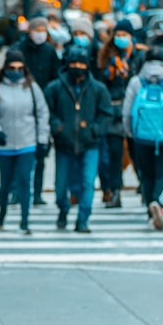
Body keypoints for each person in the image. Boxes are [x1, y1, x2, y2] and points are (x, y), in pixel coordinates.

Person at [45, 46, 112, 233]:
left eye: (81, 64)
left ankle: (83, 219)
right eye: (73, 64)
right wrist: (57, 126)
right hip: (64, 143)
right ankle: (63, 208)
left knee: (88, 182)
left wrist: (95, 130)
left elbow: (106, 114)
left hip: (90, 142)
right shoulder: (55, 88)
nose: (77, 67)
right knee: (60, 187)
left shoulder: (97, 89)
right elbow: (47, 111)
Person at [0, 50, 51, 234]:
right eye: (12, 67)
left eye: (20, 68)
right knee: (5, 184)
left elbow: (42, 113)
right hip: (4, 145)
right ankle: (2, 214)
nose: (16, 71)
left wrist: (42, 139)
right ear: (5, 68)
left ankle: (25, 220)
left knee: (24, 181)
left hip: (27, 143)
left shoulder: (31, 88)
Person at [122, 46, 163, 230]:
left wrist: (130, 132)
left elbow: (127, 111)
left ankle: (149, 206)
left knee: (147, 173)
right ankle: (158, 202)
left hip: (141, 136)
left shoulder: (136, 82)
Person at [95, 18, 145, 208]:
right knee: (114, 154)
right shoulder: (107, 56)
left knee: (137, 152)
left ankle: (144, 185)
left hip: (134, 110)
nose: (121, 38)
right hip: (114, 111)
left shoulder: (139, 56)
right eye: (118, 35)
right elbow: (102, 82)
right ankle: (115, 191)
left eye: (125, 35)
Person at [15, 17, 61, 205]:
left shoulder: (49, 51)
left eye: (44, 30)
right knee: (20, 150)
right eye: (37, 30)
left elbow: (55, 76)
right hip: (22, 104)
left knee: (41, 151)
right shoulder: (20, 49)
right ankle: (18, 191)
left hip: (44, 106)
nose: (40, 33)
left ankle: (37, 192)